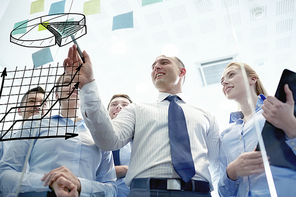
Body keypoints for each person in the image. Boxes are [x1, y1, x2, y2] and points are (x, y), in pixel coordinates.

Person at [56, 44, 220, 196]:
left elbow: (216, 162)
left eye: (164, 62)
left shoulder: (206, 115)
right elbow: (108, 141)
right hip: (145, 191)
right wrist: (88, 86)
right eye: (153, 66)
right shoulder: (136, 109)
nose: (156, 67)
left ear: (182, 72)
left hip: (198, 191)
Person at [0, 73, 117, 197]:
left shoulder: (99, 133)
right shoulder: (35, 123)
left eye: (79, 83)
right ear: (56, 94)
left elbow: (112, 189)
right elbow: (4, 174)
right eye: (67, 82)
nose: (74, 85)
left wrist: (80, 184)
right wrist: (50, 182)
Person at [219, 62, 296, 197]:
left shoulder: (279, 111)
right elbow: (224, 193)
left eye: (231, 75)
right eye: (222, 81)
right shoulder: (226, 135)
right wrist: (231, 171)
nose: (224, 82)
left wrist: (291, 126)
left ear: (253, 79)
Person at [0, 86, 48, 159]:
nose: (38, 106)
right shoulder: (3, 140)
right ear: (19, 111)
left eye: (44, 104)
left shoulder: (54, 143)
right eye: (31, 101)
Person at [107, 94, 133, 197]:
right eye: (114, 104)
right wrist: (122, 170)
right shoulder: (95, 137)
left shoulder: (140, 139)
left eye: (125, 105)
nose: (119, 106)